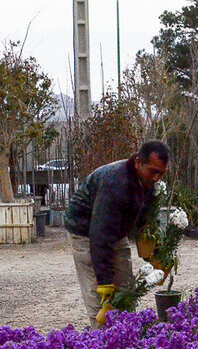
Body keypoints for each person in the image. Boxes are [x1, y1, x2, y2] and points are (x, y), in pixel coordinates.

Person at [65, 140, 171, 328]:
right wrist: (105, 284)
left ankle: (127, 339)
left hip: (115, 229)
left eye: (161, 173)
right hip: (85, 231)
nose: (156, 178)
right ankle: (101, 347)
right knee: (100, 300)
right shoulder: (115, 184)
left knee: (126, 290)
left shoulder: (147, 183)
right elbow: (100, 237)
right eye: (153, 171)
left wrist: (155, 253)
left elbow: (143, 222)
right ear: (138, 162)